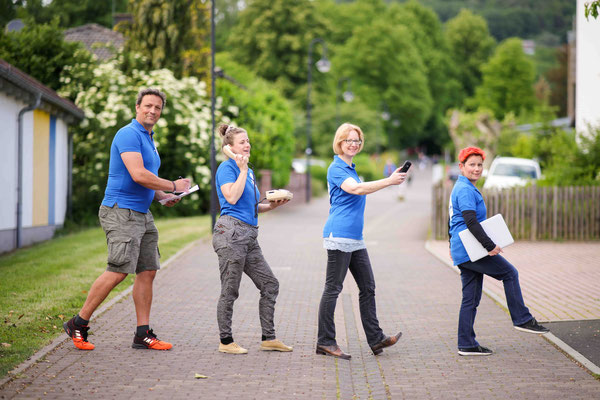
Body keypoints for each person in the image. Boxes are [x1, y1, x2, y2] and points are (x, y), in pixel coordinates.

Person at [63, 88, 191, 351]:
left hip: (142, 214)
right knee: (119, 269)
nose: (153, 111)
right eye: (148, 106)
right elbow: (137, 174)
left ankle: (142, 334)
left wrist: (164, 195)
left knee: (147, 270)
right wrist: (174, 184)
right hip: (121, 211)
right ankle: (79, 322)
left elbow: (147, 181)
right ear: (137, 107)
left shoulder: (148, 137)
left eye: (157, 107)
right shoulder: (128, 134)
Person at [316, 123, 406, 360]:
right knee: (333, 289)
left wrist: (389, 180)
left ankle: (376, 339)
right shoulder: (336, 168)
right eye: (349, 140)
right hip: (339, 237)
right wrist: (389, 181)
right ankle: (325, 341)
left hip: (355, 239)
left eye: (357, 140)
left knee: (368, 288)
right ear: (339, 143)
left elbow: (361, 188)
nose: (353, 144)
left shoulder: (350, 168)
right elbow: (355, 190)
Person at [449, 146, 549, 356]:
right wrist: (490, 246)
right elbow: (470, 221)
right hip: (470, 250)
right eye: (472, 165)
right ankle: (522, 319)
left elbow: (451, 220)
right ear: (461, 167)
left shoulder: (461, 187)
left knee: (471, 298)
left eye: (479, 165)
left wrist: (452, 246)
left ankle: (466, 343)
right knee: (509, 273)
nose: (476, 169)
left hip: (464, 249)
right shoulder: (465, 189)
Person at [212, 123, 293, 355]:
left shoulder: (250, 171)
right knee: (230, 289)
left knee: (270, 284)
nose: (247, 145)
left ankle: (269, 338)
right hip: (230, 234)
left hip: (249, 234)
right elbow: (231, 196)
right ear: (229, 148)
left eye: (248, 141)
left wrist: (274, 206)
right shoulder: (227, 169)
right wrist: (243, 169)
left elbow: (252, 206)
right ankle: (226, 341)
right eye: (241, 142)